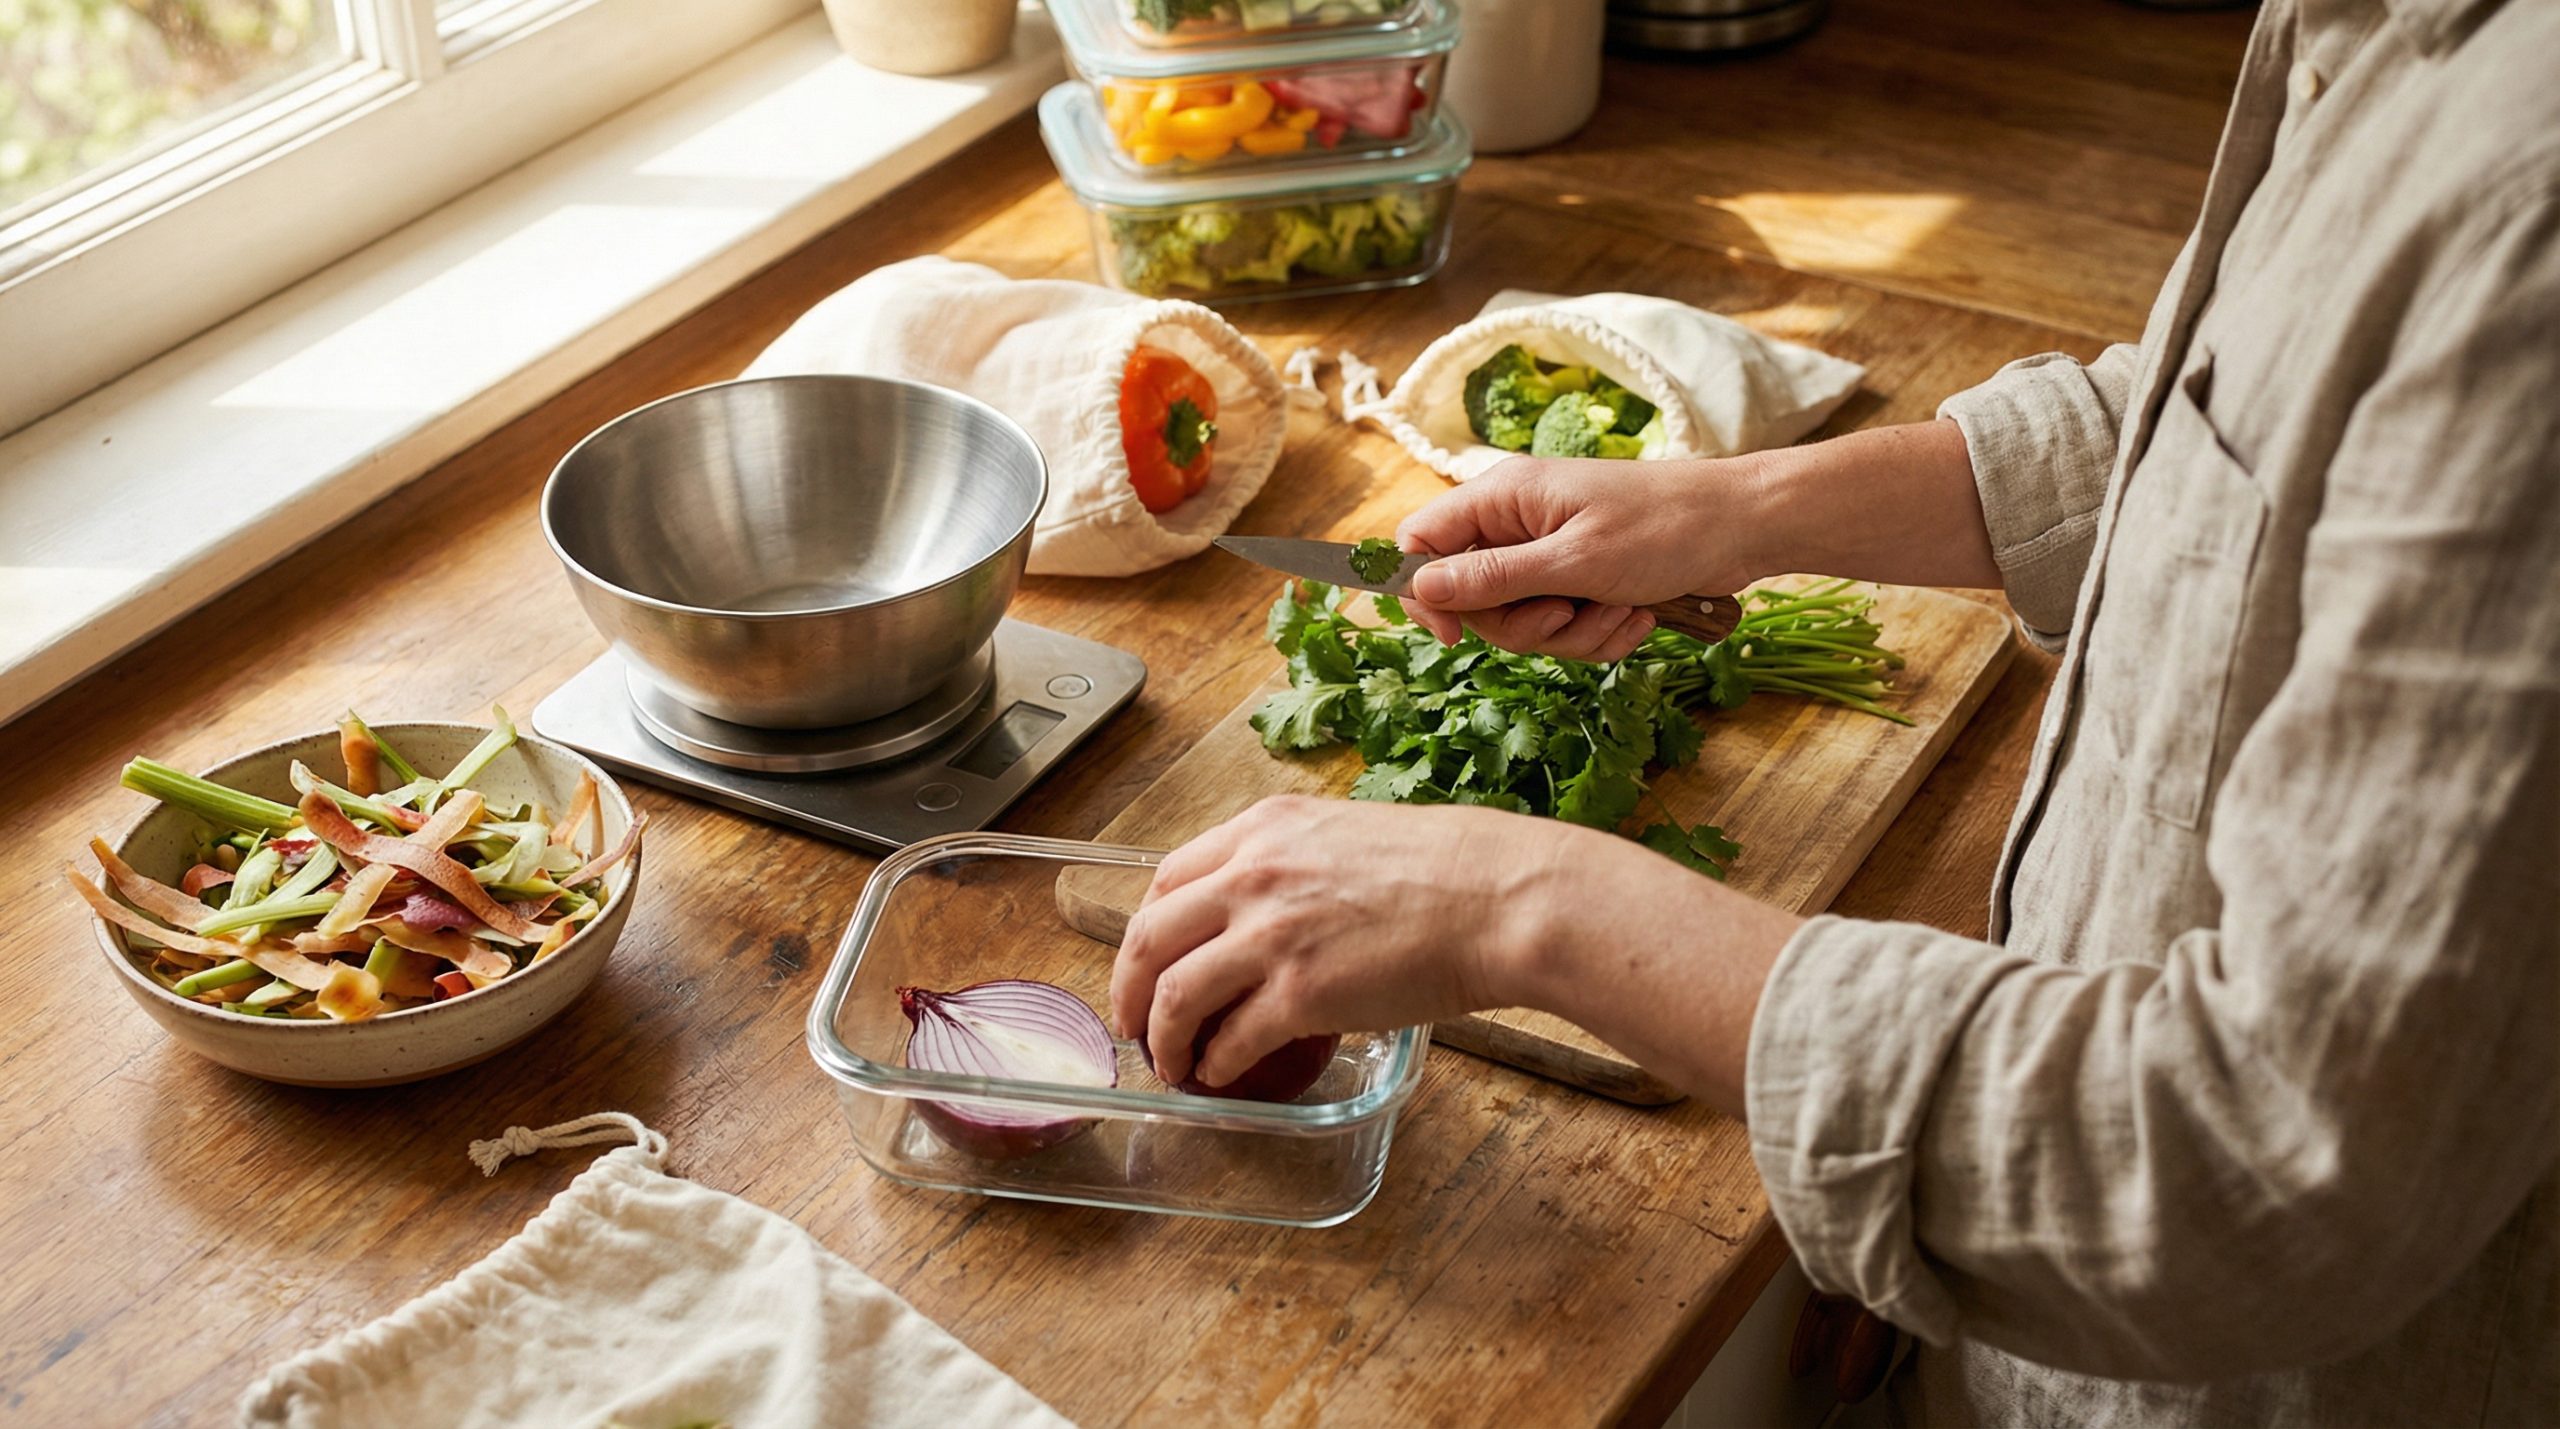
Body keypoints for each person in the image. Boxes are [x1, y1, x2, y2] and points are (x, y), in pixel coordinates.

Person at [1109, 0, 2560, 1422]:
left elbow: (2254, 1170)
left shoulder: (2530, 188)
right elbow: (2249, 410)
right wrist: (1738, 507)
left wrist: (1518, 898)